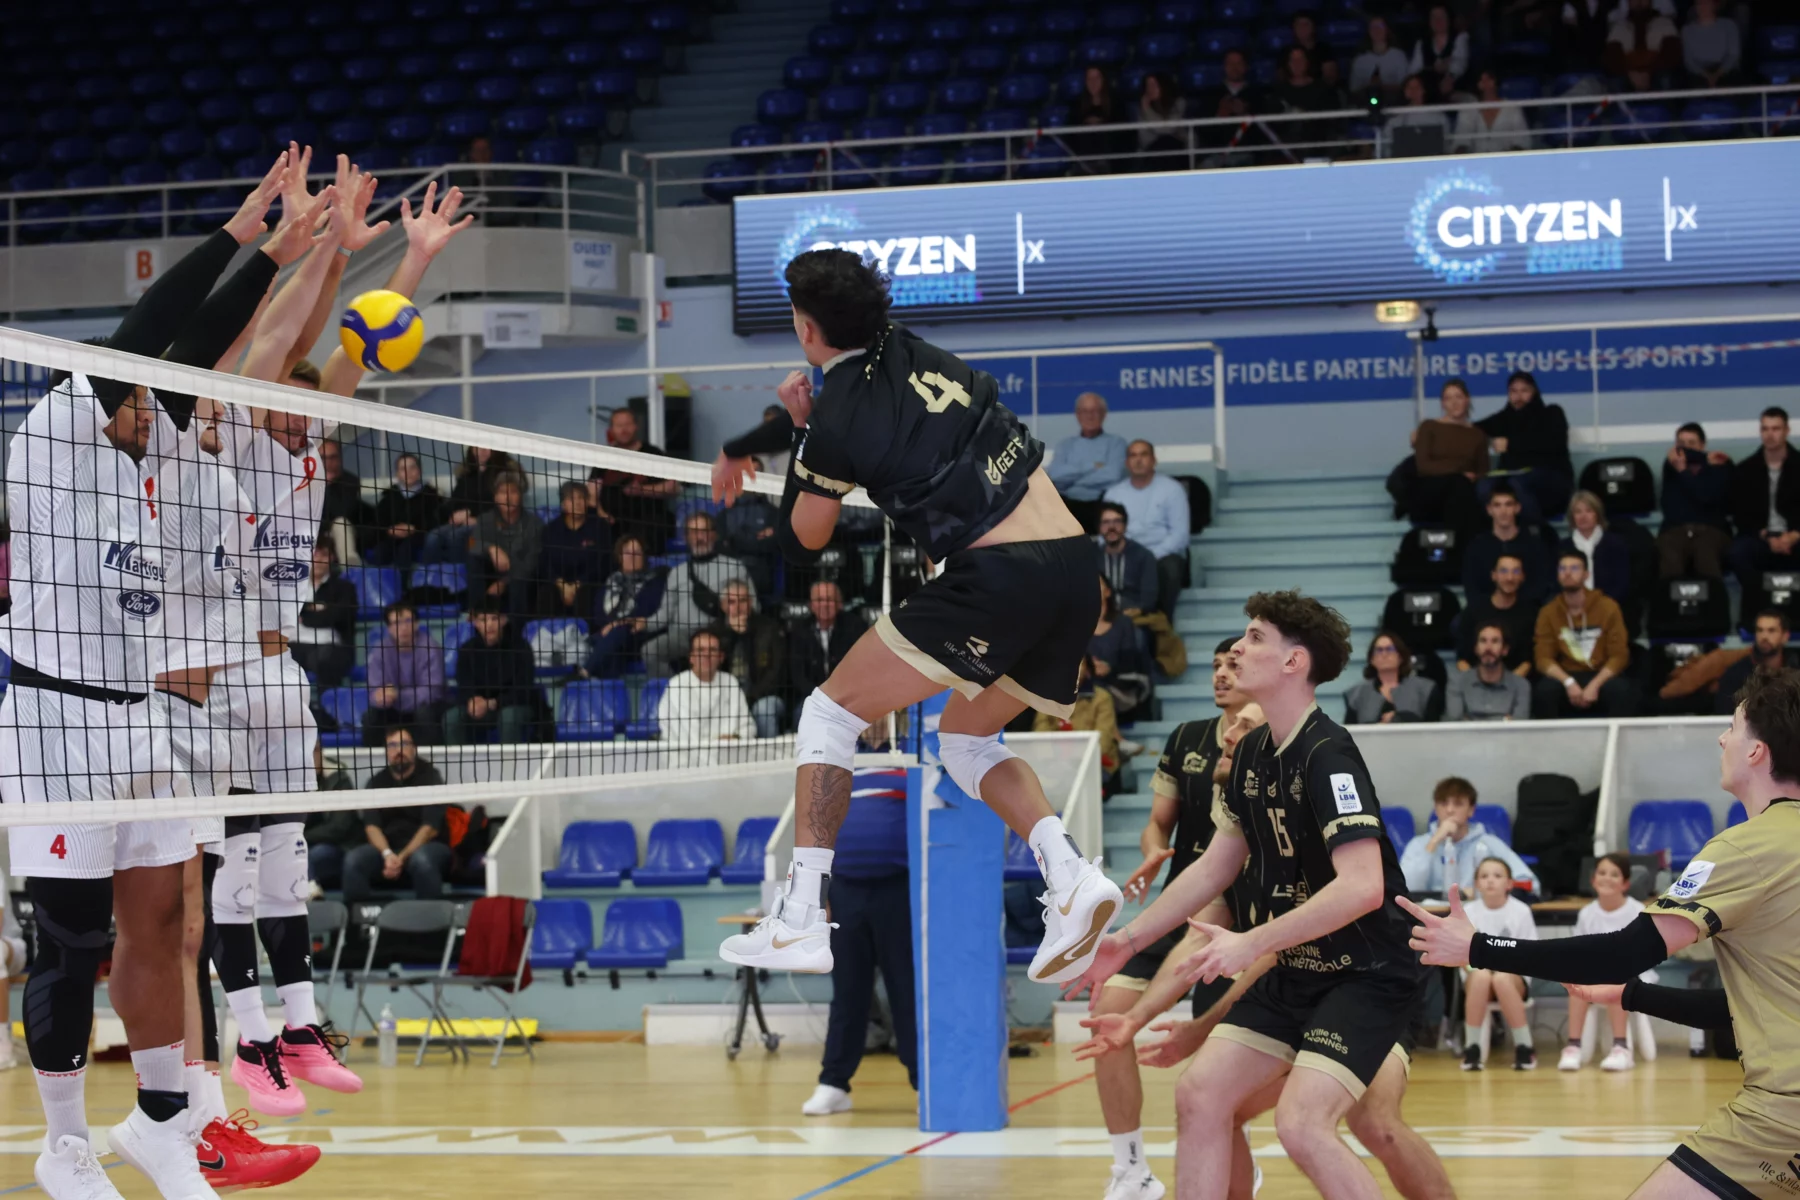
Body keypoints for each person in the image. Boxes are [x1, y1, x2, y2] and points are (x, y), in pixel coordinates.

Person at [0, 154, 318, 1198]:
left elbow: (203, 349)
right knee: (70, 943)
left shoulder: (145, 460)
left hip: (137, 722)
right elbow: (163, 323)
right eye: (142, 392)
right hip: (53, 727)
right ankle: (61, 1141)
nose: (157, 401)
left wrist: (291, 251)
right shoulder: (58, 433)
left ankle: (165, 1125)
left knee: (166, 926)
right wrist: (246, 229)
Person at [709, 248, 1118, 985]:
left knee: (828, 715)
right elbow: (835, 416)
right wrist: (764, 438)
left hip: (996, 579)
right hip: (1074, 569)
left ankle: (801, 917)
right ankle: (1069, 873)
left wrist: (802, 433)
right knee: (966, 741)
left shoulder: (834, 418)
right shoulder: (920, 351)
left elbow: (807, 536)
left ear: (806, 329)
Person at [208, 163, 468, 1124]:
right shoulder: (228, 433)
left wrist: (411, 262)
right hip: (215, 671)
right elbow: (282, 333)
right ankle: (249, 1040)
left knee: (287, 863)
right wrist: (319, 245)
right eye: (291, 391)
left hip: (278, 669)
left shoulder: (311, 453)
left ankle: (303, 1025)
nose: (308, 403)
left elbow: (363, 344)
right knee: (234, 874)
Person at [1073, 591, 1426, 1200]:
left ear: (1294, 662)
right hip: (1297, 971)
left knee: (1302, 1125)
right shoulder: (1252, 754)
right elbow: (1214, 866)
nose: (1238, 647)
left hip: (1365, 975)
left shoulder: (1329, 755)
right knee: (1200, 1094)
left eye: (1256, 637)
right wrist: (1125, 942)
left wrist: (1249, 943)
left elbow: (1365, 888)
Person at [1402, 668, 1800, 1200]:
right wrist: (1631, 995)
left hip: (1783, 1113)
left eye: (1733, 726)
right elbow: (1757, 1008)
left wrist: (1475, 946)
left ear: (1757, 752)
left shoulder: (1745, 848)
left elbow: (1620, 952)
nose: (1723, 738)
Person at [1077, 642, 1256, 1200]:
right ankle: (1130, 1168)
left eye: (1234, 666)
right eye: (1217, 666)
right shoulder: (1187, 739)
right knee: (1108, 1013)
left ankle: (1231, 1162)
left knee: (1213, 1051)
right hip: (1183, 904)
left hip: (1238, 919)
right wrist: (1155, 850)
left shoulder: (1278, 745)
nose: (1222, 675)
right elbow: (1158, 825)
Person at [802, 750, 918, 1117]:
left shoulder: (912, 765)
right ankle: (833, 1083)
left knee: (907, 991)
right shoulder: (837, 765)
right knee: (848, 992)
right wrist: (819, 896)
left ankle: (924, 1083)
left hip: (901, 889)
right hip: (845, 891)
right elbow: (817, 832)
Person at [1558, 852, 1658, 1073]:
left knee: (1616, 972)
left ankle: (1621, 1047)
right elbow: (1579, 951)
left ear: (1625, 883)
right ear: (1593, 880)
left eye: (1614, 874)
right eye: (1602, 873)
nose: (1607, 878)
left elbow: (1644, 952)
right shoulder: (1587, 913)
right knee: (1574, 977)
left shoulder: (1637, 911)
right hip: (1595, 974)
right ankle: (1573, 1045)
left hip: (1634, 973)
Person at [342, 728, 452, 903]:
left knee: (422, 861)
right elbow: (371, 826)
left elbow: (430, 828)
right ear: (386, 751)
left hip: (427, 846)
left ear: (414, 748)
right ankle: (360, 924)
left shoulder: (430, 777)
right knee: (354, 860)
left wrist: (401, 857)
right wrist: (387, 854)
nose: (398, 751)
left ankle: (432, 923)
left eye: (404, 744)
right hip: (388, 850)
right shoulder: (377, 781)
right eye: (392, 745)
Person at [641, 510, 754, 676]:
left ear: (714, 535)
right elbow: (664, 615)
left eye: (704, 531)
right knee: (650, 651)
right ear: (686, 538)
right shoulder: (676, 573)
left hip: (720, 633)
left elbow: (753, 605)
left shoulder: (734, 567)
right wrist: (642, 623)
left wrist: (735, 623)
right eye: (693, 532)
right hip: (682, 636)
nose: (699, 537)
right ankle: (676, 692)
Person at [1457, 857, 1539, 1071]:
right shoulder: (1468, 911)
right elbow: (1462, 954)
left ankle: (1524, 1046)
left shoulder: (1521, 911)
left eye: (1497, 875)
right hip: (1477, 976)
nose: (1490, 881)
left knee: (1501, 978)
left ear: (1509, 883)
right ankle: (1472, 1048)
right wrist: (1478, 967)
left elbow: (1530, 954)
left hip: (1513, 977)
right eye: (1484, 876)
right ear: (1476, 884)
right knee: (1482, 976)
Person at [1532, 551, 1637, 718]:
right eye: (1562, 568)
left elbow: (1619, 656)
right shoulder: (1548, 612)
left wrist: (1595, 684)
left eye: (1574, 568)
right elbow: (1543, 658)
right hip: (1566, 674)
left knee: (1623, 691)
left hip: (1600, 673)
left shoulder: (1608, 607)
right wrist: (1568, 682)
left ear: (1586, 574)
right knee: (1544, 692)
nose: (1567, 573)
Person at [1400, 776, 1541, 897]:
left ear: (1471, 810)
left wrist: (1484, 891)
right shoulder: (1419, 844)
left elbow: (1530, 884)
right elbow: (1404, 889)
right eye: (1443, 804)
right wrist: (1434, 841)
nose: (1450, 810)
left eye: (1458, 804)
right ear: (1436, 809)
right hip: (1431, 918)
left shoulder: (1489, 844)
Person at [1103, 440, 1190, 618]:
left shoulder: (1172, 489)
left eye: (1144, 454)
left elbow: (1180, 535)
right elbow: (1105, 530)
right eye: (1133, 455)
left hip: (1161, 555)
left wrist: (1149, 557)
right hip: (1125, 553)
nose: (1138, 460)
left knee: (1171, 568)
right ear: (1127, 463)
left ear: (1154, 460)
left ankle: (1162, 624)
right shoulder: (1114, 493)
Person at [1730, 407, 1800, 627]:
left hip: (1795, 537)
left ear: (1787, 430)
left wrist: (1795, 535)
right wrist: (1767, 536)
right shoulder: (1745, 469)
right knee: (1738, 552)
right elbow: (1741, 515)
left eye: (1776, 428)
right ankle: (1757, 615)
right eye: (1765, 429)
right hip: (1760, 537)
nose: (1770, 434)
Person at [1475, 371, 1573, 526]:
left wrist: (1511, 444)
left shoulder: (1551, 413)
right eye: (1513, 391)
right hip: (1515, 481)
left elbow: (1552, 442)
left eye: (1524, 390)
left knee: (1516, 485)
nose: (1518, 396)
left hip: (1552, 482)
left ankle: (1537, 538)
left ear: (1534, 392)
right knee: (1483, 486)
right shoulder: (1505, 418)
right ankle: (1495, 540)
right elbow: (1475, 429)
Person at [446, 598, 541, 745]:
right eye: (483, 620)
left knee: (509, 716)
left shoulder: (521, 648)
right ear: (475, 623)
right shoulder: (467, 649)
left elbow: (524, 690)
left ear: (503, 620)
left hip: (514, 705)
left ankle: (510, 766)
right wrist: (472, 700)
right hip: (480, 708)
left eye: (494, 619)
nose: (489, 625)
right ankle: (459, 765)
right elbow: (464, 684)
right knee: (451, 718)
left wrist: (492, 703)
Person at [1405, 377, 1488, 532]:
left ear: (1467, 400)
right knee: (1459, 483)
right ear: (1442, 403)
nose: (1454, 402)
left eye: (1458, 397)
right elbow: (1423, 466)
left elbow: (1482, 471)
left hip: (1461, 495)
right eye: (1448, 398)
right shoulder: (1429, 426)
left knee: (1463, 492)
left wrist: (1471, 477)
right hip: (1430, 490)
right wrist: (1459, 472)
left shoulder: (1478, 435)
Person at [591, 407, 680, 552]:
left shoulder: (653, 453)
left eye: (627, 424)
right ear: (612, 429)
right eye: (619, 426)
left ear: (636, 426)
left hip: (648, 521)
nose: (623, 430)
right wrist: (602, 514)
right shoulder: (604, 456)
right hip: (612, 523)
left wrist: (642, 491)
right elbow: (592, 492)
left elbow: (673, 487)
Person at [709, 577, 789, 737]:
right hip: (725, 696)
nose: (738, 607)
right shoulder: (715, 630)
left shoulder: (769, 627)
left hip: (762, 695)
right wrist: (732, 635)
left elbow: (777, 672)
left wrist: (750, 697)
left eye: (743, 601)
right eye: (732, 602)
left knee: (764, 709)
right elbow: (712, 668)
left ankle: (769, 759)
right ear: (724, 605)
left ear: (751, 602)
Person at [364, 600, 449, 746]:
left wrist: (397, 695)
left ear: (416, 624)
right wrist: (381, 696)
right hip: (393, 707)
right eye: (396, 623)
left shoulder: (430, 647)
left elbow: (432, 691)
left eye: (408, 621)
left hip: (428, 706)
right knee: (370, 717)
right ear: (389, 628)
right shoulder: (380, 650)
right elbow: (375, 690)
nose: (403, 627)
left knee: (424, 714)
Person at [1034, 656, 1126, 788]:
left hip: (1096, 764)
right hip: (1057, 765)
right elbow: (1040, 733)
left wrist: (1075, 762)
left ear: (1087, 669)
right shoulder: (1048, 697)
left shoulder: (1102, 697)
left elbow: (1103, 739)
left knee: (1076, 784)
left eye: (1078, 664)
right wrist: (1051, 761)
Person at [585, 533, 667, 678]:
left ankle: (584, 672)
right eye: (627, 553)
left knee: (619, 631)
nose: (632, 557)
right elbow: (598, 616)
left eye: (637, 553)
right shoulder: (610, 582)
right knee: (614, 648)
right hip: (612, 640)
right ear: (620, 557)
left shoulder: (656, 581)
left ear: (644, 557)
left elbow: (648, 610)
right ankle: (612, 696)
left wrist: (616, 624)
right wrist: (611, 626)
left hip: (639, 635)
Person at [1659, 421, 1733, 580]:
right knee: (1670, 557)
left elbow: (1706, 497)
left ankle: (1714, 604)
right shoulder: (1671, 466)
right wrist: (1704, 459)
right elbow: (1672, 508)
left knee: (1705, 555)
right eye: (1681, 443)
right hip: (1676, 529)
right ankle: (1671, 604)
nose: (1685, 448)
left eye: (1691, 443)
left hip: (1712, 530)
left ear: (1702, 444)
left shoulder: (1721, 466)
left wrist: (1685, 471)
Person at [422, 445, 520, 564]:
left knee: (455, 536)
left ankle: (459, 576)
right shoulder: (466, 475)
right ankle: (430, 577)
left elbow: (504, 506)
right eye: (477, 447)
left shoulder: (504, 475)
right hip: (462, 522)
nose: (482, 451)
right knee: (433, 536)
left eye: (486, 447)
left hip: (490, 522)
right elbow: (454, 501)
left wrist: (475, 517)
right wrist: (455, 515)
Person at [657, 628, 757, 744]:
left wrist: (735, 738)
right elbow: (685, 736)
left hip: (728, 755)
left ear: (721, 657)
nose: (706, 655)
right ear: (691, 657)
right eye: (700, 650)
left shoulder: (730, 682)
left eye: (712, 650)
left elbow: (748, 725)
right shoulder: (677, 685)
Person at [1047, 392, 1128, 531]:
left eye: (1095, 411)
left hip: (1101, 503)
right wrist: (1092, 466)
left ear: (1104, 414)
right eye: (1084, 411)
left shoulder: (1116, 443)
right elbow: (1054, 476)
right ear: (1077, 415)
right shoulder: (1065, 445)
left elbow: (1112, 476)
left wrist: (1072, 481)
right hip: (1068, 503)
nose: (1089, 416)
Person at [467, 471, 543, 616]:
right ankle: (476, 612)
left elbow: (532, 564)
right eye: (502, 492)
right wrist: (491, 548)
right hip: (491, 579)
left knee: (520, 581)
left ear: (520, 496)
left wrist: (504, 582)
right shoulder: (484, 520)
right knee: (474, 559)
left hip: (521, 582)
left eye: (513, 492)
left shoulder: (534, 524)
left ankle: (516, 631)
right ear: (495, 497)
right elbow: (471, 545)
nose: (508, 498)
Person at [1462, 483, 1554, 603]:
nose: (1503, 511)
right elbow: (1472, 590)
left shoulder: (1535, 546)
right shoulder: (1476, 548)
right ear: (1489, 509)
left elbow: (1540, 587)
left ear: (1517, 508)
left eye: (1508, 504)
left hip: (1526, 614)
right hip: (1485, 615)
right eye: (1497, 505)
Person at [287, 536, 356, 692]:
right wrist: (317, 611)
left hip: (329, 646)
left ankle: (326, 710)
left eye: (323, 555)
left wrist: (304, 615)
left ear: (332, 557)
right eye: (313, 554)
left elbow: (338, 617)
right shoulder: (290, 588)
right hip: (292, 646)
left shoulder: (344, 588)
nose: (317, 560)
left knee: (326, 661)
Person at [537, 480, 610, 619]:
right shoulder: (550, 530)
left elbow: (603, 563)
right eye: (571, 499)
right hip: (559, 584)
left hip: (588, 584)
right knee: (546, 594)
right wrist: (561, 585)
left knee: (587, 595)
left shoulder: (600, 527)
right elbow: (544, 562)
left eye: (581, 498)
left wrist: (578, 585)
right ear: (563, 504)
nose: (577, 503)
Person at [788, 578, 869, 700]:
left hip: (848, 698)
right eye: (819, 600)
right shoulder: (800, 630)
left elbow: (861, 668)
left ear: (839, 603)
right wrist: (819, 697)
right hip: (811, 698)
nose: (825, 604)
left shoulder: (855, 627)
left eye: (830, 600)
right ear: (811, 605)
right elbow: (798, 675)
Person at [1455, 554, 1536, 675]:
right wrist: (1476, 683)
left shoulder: (1531, 613)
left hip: (1516, 682)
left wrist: (1507, 686)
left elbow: (1528, 661)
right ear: (1493, 575)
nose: (1509, 578)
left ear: (1522, 577)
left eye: (1516, 571)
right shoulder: (1474, 610)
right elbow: (1462, 659)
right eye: (1503, 571)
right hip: (1476, 682)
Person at [1091, 576, 1155, 726]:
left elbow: (1130, 663)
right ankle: (1117, 739)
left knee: (1099, 693)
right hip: (1083, 687)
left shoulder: (1123, 623)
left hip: (1118, 684)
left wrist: (1108, 669)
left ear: (1107, 592)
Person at [363, 452, 439, 572]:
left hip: (418, 537)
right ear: (397, 474)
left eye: (412, 467)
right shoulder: (389, 496)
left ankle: (403, 589)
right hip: (390, 537)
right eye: (403, 469)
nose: (408, 472)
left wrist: (414, 528)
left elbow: (435, 520)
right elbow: (378, 520)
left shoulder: (431, 496)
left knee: (405, 551)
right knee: (380, 551)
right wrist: (390, 530)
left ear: (419, 471)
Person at [1343, 629, 1439, 724]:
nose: (1384, 654)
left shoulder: (1424, 689)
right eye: (1379, 650)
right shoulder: (1357, 695)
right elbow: (1350, 734)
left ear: (1400, 657)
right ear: (1372, 659)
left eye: (1390, 649)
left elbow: (1434, 730)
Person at [1714, 608, 1798, 716]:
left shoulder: (1796, 672)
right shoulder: (1735, 674)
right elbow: (1724, 716)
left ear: (1785, 636)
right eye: (1760, 630)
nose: (1764, 636)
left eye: (1771, 630)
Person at [1445, 623, 1532, 721]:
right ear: (1476, 648)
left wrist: (1470, 720)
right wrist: (1504, 720)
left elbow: (1519, 728)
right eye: (1483, 641)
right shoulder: (1457, 682)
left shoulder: (1521, 685)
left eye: (1495, 641)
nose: (1488, 647)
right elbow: (1454, 724)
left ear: (1505, 649)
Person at [1560, 489, 1631, 606]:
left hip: (1608, 607)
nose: (1583, 516)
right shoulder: (1563, 547)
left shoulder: (1615, 544)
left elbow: (1622, 583)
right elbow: (1558, 583)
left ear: (1597, 514)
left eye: (1589, 511)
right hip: (1570, 608)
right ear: (1572, 517)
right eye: (1578, 512)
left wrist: (1601, 606)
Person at [1096, 502, 1160, 618]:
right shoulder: (1091, 558)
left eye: (1117, 521)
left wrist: (1134, 612)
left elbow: (1149, 600)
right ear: (1099, 528)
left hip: (1135, 617)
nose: (1111, 527)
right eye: (1106, 522)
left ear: (1125, 526)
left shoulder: (1144, 556)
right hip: (1101, 617)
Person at [1450, 68, 1533, 153]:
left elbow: (1522, 142)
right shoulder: (1468, 110)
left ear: (1496, 82)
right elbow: (1460, 141)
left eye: (1489, 79)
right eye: (1482, 80)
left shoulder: (1512, 108)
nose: (1485, 83)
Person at [1604, 0, 1681, 90]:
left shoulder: (1665, 24)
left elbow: (1672, 57)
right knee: (1615, 82)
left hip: (1657, 77)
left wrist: (1648, 72)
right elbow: (1611, 59)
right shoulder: (1619, 27)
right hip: (1628, 79)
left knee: (1667, 78)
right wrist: (1631, 73)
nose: (1639, 2)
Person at [315, 436, 369, 557]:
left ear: (339, 458)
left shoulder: (350, 481)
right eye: (323, 458)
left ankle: (349, 569)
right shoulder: (306, 480)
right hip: (313, 531)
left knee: (340, 524)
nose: (327, 462)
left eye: (332, 457)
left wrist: (327, 485)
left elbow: (342, 512)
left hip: (339, 531)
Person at [1067, 67, 1125, 172]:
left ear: (1103, 80)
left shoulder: (1116, 102)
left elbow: (1123, 132)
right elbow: (1069, 132)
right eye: (1089, 79)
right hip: (1084, 156)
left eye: (1097, 78)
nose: (1093, 82)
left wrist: (1102, 124)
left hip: (1110, 156)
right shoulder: (1077, 104)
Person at [1408, 4, 1469, 98]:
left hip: (1457, 90)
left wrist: (1450, 77)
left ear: (1449, 19)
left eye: (1442, 17)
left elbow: (1460, 62)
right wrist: (1432, 69)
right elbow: (1414, 70)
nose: (1438, 21)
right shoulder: (1422, 43)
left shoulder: (1460, 38)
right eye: (1434, 17)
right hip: (1429, 93)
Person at [1350, 16, 1410, 102]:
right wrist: (1369, 87)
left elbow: (1406, 86)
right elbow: (1354, 90)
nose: (1377, 30)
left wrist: (1383, 87)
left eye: (1380, 26)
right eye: (1373, 27)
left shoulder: (1399, 56)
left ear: (1387, 30)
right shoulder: (1359, 61)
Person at [1134, 70, 1187, 167]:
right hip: (1153, 154)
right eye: (1148, 86)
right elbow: (1143, 139)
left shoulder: (1179, 103)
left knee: (1168, 143)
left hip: (1177, 152)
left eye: (1154, 85)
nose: (1150, 89)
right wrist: (1146, 109)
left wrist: (1147, 112)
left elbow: (1169, 129)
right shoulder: (1143, 108)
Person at [1682, 0, 1740, 86]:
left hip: (1725, 72)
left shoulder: (1729, 25)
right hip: (1699, 74)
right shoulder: (1687, 30)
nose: (1703, 6)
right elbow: (1689, 60)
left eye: (1706, 3)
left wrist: (1718, 74)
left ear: (1714, 5)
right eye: (1699, 3)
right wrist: (1706, 75)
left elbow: (1733, 54)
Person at [1289, 10, 1340, 87]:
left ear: (1313, 28)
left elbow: (1330, 78)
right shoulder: (1286, 51)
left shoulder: (1324, 49)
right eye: (1298, 25)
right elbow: (1281, 80)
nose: (1302, 28)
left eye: (1306, 25)